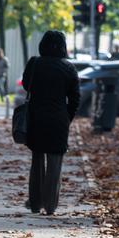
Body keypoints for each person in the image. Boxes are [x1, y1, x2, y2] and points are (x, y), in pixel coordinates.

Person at [21, 30, 81, 215]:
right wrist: (67, 117)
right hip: (58, 120)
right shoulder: (69, 68)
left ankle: (35, 202)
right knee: (55, 163)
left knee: (37, 161)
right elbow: (75, 98)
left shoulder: (35, 63)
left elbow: (25, 85)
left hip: (36, 118)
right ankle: (50, 205)